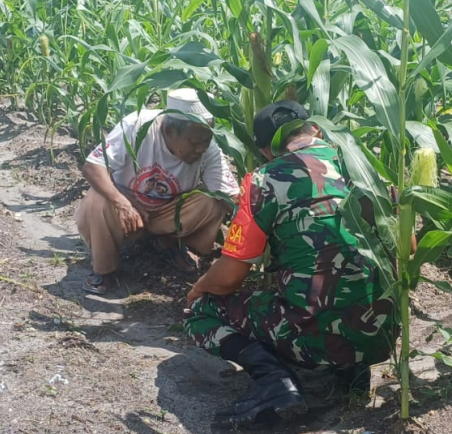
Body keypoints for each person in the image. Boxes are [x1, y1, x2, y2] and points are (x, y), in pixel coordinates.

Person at [183, 100, 398, 428]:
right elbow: (407, 248)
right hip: (381, 333)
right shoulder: (364, 166)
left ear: (266, 151)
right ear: (317, 129)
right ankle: (352, 372)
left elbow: (230, 277)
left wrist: (199, 289)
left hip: (313, 341)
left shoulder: (265, 179)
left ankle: (274, 383)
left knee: (201, 310)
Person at [75, 88, 239, 295]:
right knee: (99, 198)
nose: (201, 148)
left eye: (206, 140)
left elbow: (229, 196)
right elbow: (93, 167)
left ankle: (169, 243)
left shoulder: (208, 149)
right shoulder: (137, 126)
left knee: (213, 201)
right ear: (169, 131)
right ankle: (103, 269)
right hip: (126, 209)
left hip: (169, 211)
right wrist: (122, 203)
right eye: (194, 142)